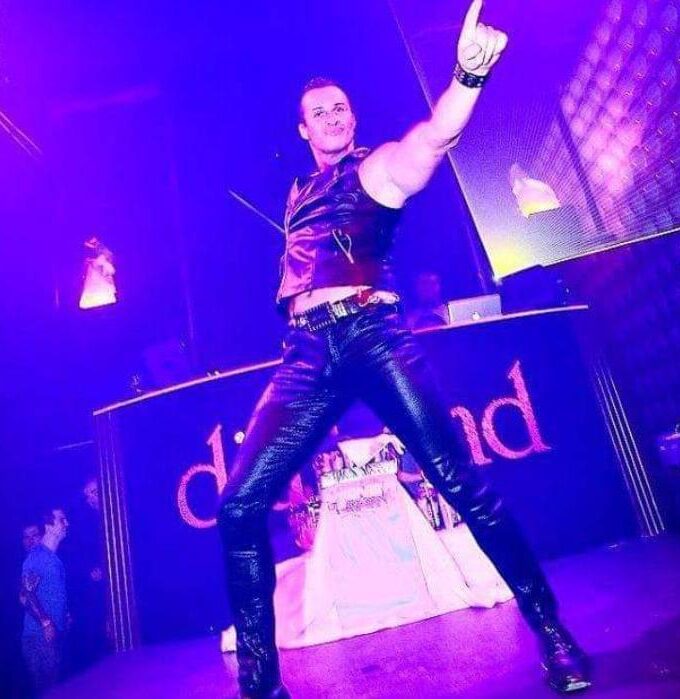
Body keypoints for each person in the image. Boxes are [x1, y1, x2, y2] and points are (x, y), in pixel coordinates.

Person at [217, 2, 590, 696]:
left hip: (373, 335)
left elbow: (434, 138)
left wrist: (467, 77)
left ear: (352, 119)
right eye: (319, 112)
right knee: (238, 506)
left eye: (340, 108)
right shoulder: (297, 193)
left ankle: (554, 633)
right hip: (306, 352)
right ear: (303, 130)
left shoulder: (376, 169)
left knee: (460, 483)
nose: (333, 117)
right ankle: (261, 688)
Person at [20, 508, 70, 696]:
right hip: (39, 638)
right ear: (48, 527)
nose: (67, 524)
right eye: (62, 520)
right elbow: (26, 595)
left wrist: (65, 613)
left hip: (52, 637)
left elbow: (49, 592)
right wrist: (45, 622)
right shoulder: (37, 556)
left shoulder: (53, 558)